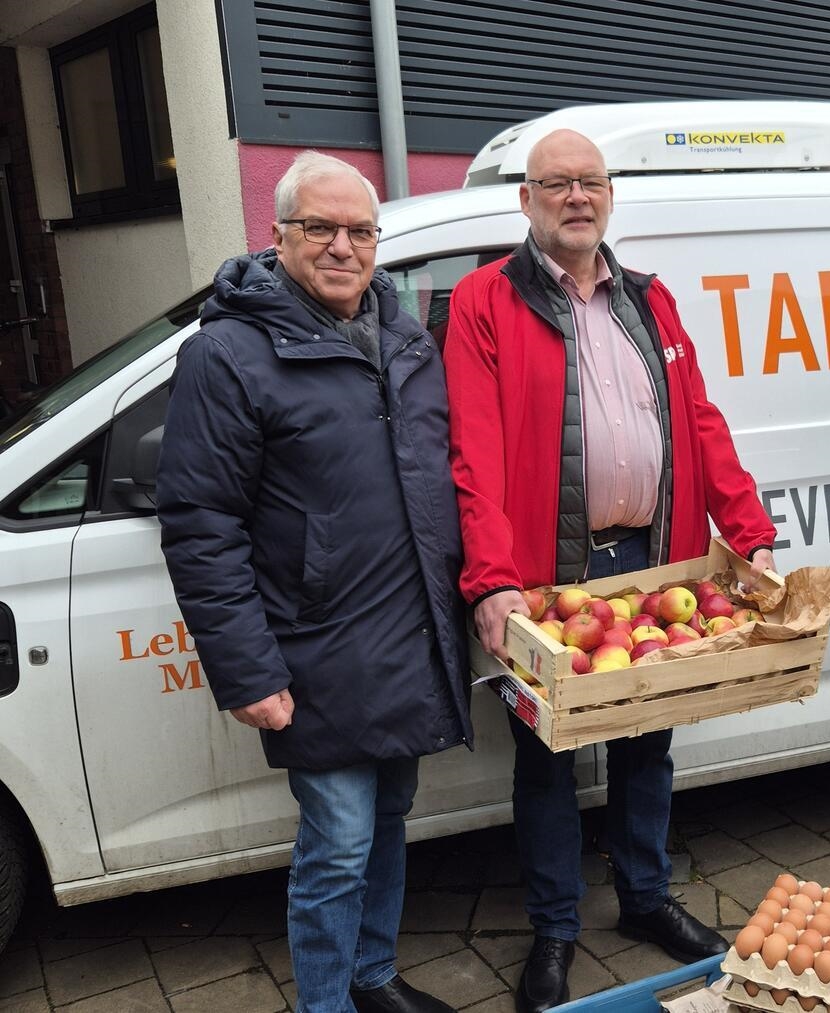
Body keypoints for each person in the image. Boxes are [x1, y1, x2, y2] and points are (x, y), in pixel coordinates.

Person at [444, 129, 777, 1012]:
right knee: (546, 761)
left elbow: (699, 418)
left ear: (610, 195)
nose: (576, 197)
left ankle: (645, 897)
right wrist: (490, 579)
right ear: (526, 200)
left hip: (650, 562)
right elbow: (470, 453)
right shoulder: (483, 302)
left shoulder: (650, 302)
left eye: (591, 182)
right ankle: (555, 927)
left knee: (649, 742)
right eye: (557, 184)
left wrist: (750, 531)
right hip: (543, 578)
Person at [157, 151, 470, 1013]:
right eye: (320, 229)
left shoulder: (401, 330)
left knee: (392, 817)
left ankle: (371, 975)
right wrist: (248, 670)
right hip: (314, 647)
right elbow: (199, 524)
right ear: (279, 235)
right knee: (336, 841)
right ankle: (324, 1004)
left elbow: (433, 477)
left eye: (360, 230)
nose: (344, 247)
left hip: (406, 635)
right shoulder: (227, 354)